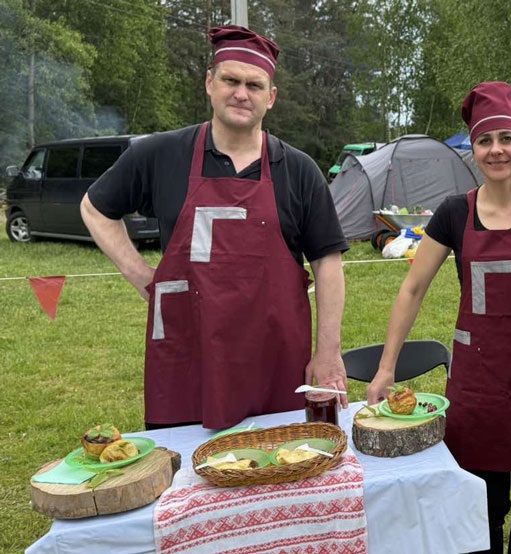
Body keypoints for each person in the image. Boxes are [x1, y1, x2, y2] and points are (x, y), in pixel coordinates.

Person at [80, 25, 349, 430]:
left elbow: (328, 263)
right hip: (187, 351)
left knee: (277, 465)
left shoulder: (298, 170)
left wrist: (328, 351)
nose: (242, 93)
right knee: (190, 473)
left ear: (271, 97)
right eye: (231, 80)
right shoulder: (161, 153)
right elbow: (95, 208)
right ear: (209, 82)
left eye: (255, 85)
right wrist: (141, 276)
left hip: (273, 354)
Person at [367, 82, 511, 554]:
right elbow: (413, 288)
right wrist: (385, 367)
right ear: (472, 150)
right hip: (477, 390)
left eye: (506, 138)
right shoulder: (454, 213)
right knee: (481, 508)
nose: (496, 150)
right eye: (484, 140)